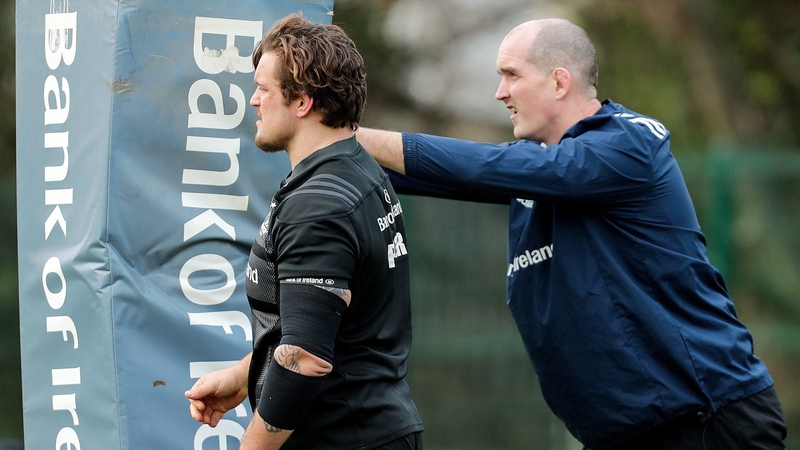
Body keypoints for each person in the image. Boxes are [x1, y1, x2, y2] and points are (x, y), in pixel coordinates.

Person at [356, 18, 786, 450]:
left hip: (705, 420)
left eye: (511, 75)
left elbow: (489, 166)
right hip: (624, 432)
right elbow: (448, 176)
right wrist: (325, 146)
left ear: (559, 82)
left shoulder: (628, 143)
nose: (500, 92)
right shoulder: (540, 167)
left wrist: (354, 139)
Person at [185, 14, 423, 450]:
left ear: (303, 102)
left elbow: (304, 358)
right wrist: (244, 375)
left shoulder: (317, 205)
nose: (254, 100)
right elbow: (321, 324)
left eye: (265, 89)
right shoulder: (353, 166)